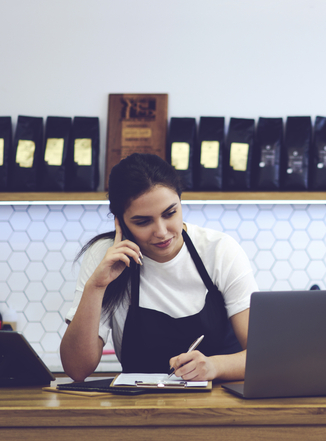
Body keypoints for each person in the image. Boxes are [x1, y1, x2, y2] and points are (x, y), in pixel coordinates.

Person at [60, 153, 257, 382]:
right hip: (139, 408)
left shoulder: (219, 251)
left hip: (220, 406)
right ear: (120, 221)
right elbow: (76, 369)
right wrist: (96, 286)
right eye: (143, 221)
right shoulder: (104, 256)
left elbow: (263, 356)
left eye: (170, 213)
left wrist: (216, 366)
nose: (162, 232)